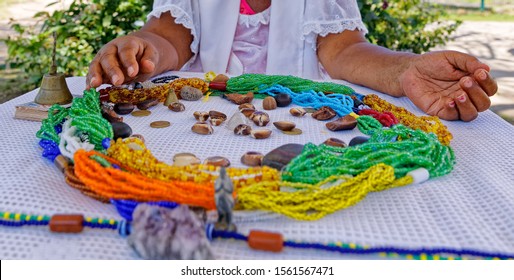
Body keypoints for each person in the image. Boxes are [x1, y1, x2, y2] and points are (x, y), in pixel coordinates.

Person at [87, 0, 498, 122]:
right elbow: (167, 38)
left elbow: (343, 52)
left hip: (303, 124)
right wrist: (141, 49)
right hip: (200, 121)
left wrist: (405, 70)